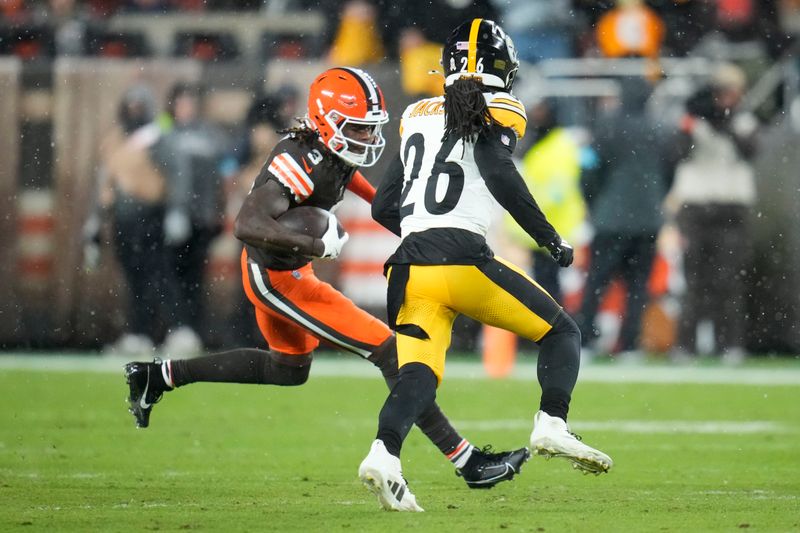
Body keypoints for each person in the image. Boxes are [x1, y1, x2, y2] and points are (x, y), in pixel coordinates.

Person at [123, 67, 529, 491]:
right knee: (392, 353)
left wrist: (415, 226)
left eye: (371, 129)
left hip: (288, 269)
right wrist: (314, 245)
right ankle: (468, 462)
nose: (368, 139)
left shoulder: (332, 152)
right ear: (326, 121)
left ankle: (159, 376)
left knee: (288, 369)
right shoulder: (298, 161)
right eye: (358, 128)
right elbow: (245, 224)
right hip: (279, 278)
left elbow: (362, 190)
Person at [358, 19, 612, 512]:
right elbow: (499, 173)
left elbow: (383, 206)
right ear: (503, 68)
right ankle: (551, 424)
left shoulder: (417, 112)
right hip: (462, 258)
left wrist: (423, 236)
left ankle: (383, 453)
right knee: (561, 333)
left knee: (418, 376)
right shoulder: (502, 107)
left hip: (408, 267)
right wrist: (549, 238)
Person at [575, 76, 676, 360]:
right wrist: (654, 201)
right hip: (648, 219)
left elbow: (589, 171)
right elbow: (670, 173)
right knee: (638, 285)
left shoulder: (606, 125)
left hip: (610, 217)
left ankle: (584, 340)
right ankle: (629, 344)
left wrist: (596, 204)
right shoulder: (662, 128)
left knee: (596, 281)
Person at [668, 64, 758, 364]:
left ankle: (729, 344)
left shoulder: (745, 120)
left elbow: (749, 150)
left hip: (731, 206)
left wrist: (725, 122)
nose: (724, 98)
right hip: (695, 206)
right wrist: (695, 121)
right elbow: (677, 154)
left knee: (729, 279)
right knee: (693, 279)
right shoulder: (695, 120)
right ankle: (686, 345)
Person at [83, 84, 172, 355]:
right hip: (124, 223)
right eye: (131, 107)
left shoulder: (159, 137)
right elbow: (105, 184)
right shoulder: (114, 141)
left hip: (152, 219)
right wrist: (95, 221)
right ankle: (137, 333)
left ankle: (149, 333)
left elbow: (173, 178)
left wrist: (176, 212)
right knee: (134, 280)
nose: (134, 112)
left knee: (152, 280)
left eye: (139, 107)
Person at [152, 81, 229, 355]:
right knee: (170, 274)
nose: (186, 108)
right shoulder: (164, 132)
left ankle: (190, 329)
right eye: (181, 102)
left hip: (203, 217)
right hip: (172, 214)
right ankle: (178, 326)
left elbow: (225, 171)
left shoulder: (210, 136)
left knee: (194, 277)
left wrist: (219, 211)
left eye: (190, 102)